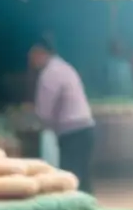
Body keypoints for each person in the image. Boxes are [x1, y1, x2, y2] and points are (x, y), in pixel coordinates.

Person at [29, 40, 96, 193]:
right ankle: (89, 208)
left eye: (33, 56)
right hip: (86, 128)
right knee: (83, 177)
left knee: (70, 179)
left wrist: (35, 122)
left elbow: (44, 112)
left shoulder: (49, 74)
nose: (31, 61)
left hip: (72, 132)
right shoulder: (64, 67)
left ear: (42, 54)